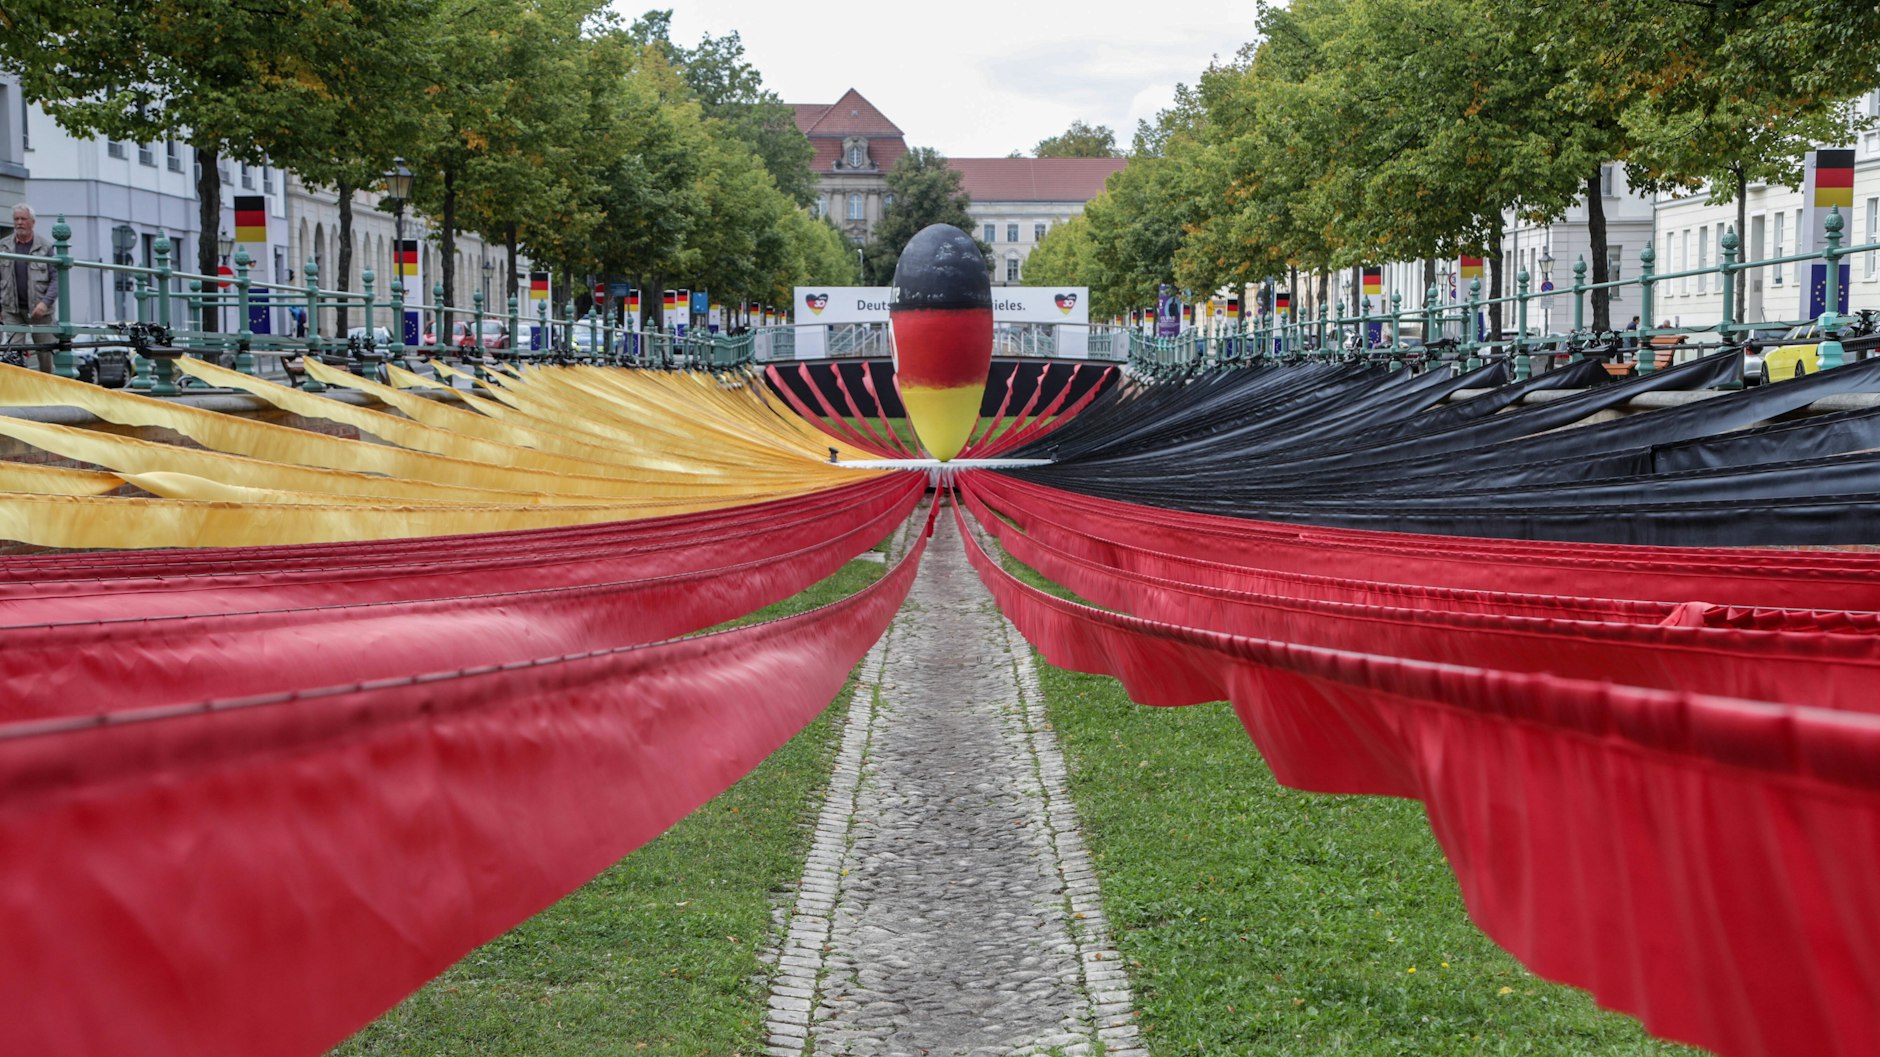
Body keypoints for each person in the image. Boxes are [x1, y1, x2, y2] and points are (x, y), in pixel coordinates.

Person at [0, 204, 60, 372]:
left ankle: (47, 392)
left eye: (23, 219)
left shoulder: (46, 247)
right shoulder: (3, 247)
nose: (19, 223)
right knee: (12, 353)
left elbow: (57, 279)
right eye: (16, 219)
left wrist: (45, 303)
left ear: (32, 222)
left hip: (41, 312)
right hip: (12, 310)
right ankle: (15, 394)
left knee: (45, 353)